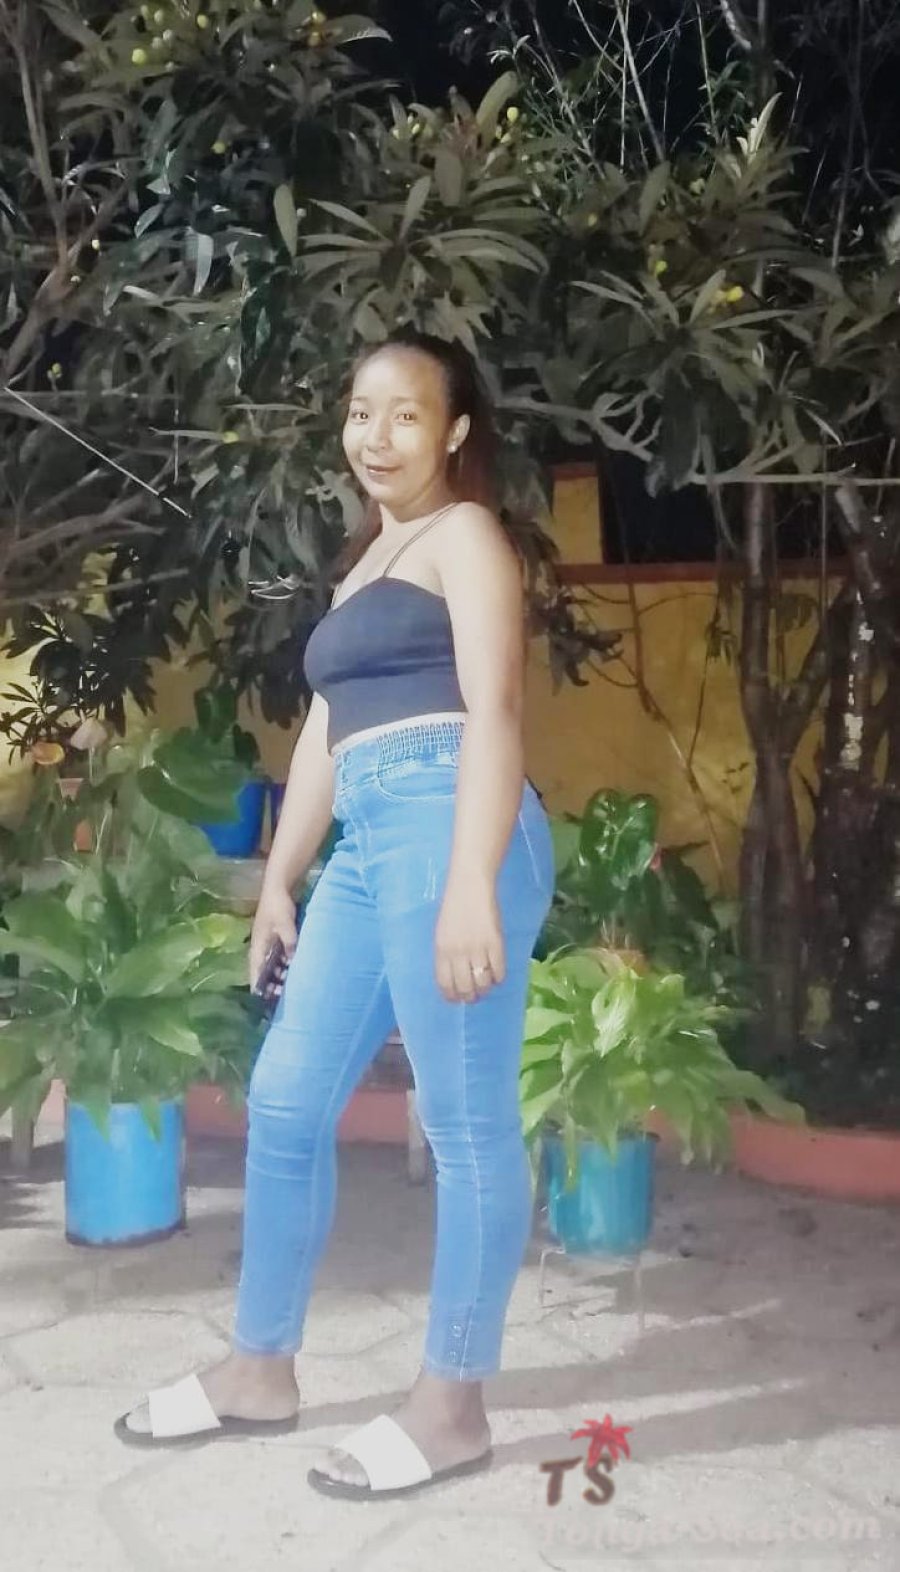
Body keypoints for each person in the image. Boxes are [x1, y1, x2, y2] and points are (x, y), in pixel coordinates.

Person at [114, 326, 555, 1501]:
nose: (377, 435)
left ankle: (453, 1405)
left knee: (464, 1123)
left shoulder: (467, 536)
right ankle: (260, 1370)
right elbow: (326, 731)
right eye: (362, 412)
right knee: (286, 1098)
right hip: (368, 841)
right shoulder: (366, 564)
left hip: (454, 822)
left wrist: (471, 879)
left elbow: (496, 710)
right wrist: (279, 878)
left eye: (407, 414)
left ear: (456, 432)